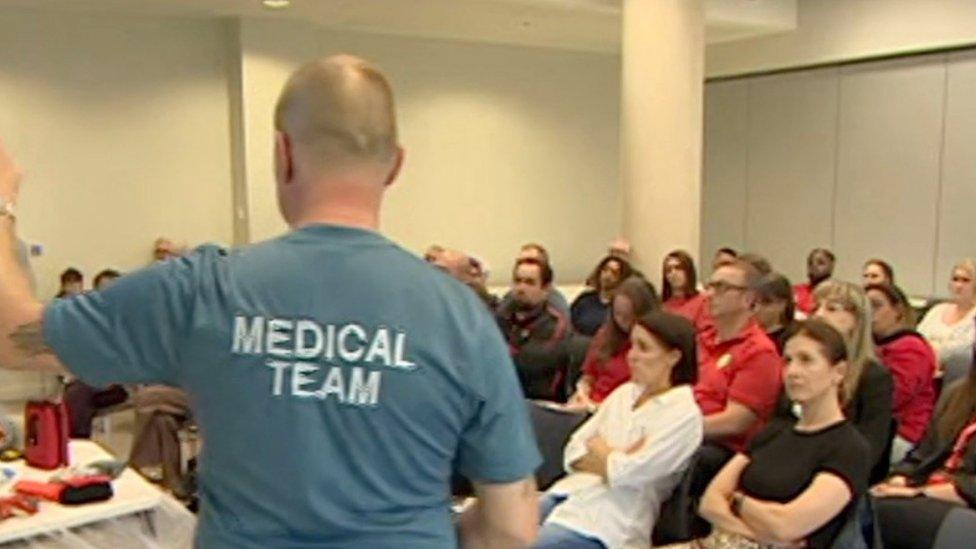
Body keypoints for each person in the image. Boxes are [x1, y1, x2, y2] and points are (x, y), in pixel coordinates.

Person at [0, 55, 541, 547]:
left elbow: (13, 334)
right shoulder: (463, 317)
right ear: (395, 166)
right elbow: (512, 529)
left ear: (283, 155)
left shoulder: (200, 290)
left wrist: (2, 203)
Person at [690, 321, 870, 549]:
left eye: (806, 360)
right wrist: (757, 533)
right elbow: (710, 502)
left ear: (838, 372)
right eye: (788, 361)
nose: (793, 372)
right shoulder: (774, 432)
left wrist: (737, 500)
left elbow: (786, 525)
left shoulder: (848, 448)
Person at [536, 311, 702, 549]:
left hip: (611, 522)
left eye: (643, 348)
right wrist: (616, 457)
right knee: (488, 528)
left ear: (673, 357)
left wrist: (602, 453)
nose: (632, 356)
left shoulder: (683, 414)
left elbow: (632, 474)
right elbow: (573, 450)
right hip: (571, 494)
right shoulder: (625, 394)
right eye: (632, 346)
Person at [775, 280, 894, 481]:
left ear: (857, 319)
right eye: (816, 307)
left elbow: (869, 448)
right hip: (791, 462)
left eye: (831, 308)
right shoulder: (797, 365)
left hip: (837, 475)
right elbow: (779, 424)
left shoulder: (874, 377)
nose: (819, 315)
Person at [694, 260, 782, 475]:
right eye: (710, 286)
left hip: (722, 450)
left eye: (721, 287)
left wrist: (681, 429)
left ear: (748, 299)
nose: (710, 294)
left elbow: (737, 421)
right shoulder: (702, 340)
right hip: (690, 431)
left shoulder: (760, 352)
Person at [872, 367, 976, 549]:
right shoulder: (955, 394)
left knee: (882, 513)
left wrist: (918, 493)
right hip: (925, 492)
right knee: (865, 504)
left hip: (961, 505)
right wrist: (900, 479)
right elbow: (920, 456)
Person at [867, 283, 937, 463]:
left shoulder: (911, 347)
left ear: (897, 309)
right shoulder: (874, 345)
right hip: (879, 427)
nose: (869, 313)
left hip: (903, 432)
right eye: (865, 307)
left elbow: (894, 397)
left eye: (876, 305)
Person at [566, 276, 660, 411]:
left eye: (628, 316)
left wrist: (600, 408)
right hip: (590, 406)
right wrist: (582, 393)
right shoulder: (605, 335)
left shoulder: (655, 345)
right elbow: (588, 377)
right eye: (618, 314)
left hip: (622, 412)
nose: (622, 321)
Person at [496, 257, 571, 401]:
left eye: (529, 282)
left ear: (546, 289)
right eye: (518, 281)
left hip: (538, 400)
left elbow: (532, 365)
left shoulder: (556, 323)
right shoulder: (502, 314)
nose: (521, 288)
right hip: (501, 395)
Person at [917, 259, 976, 386]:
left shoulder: (974, 317)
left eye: (965, 280)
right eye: (955, 279)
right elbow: (917, 341)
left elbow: (961, 355)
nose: (959, 285)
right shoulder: (937, 310)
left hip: (955, 383)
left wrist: (934, 350)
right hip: (922, 371)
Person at [498, 243, 569, 314]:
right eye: (521, 261)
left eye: (533, 260)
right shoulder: (511, 298)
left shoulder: (557, 308)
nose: (525, 263)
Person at [570, 256, 633, 337]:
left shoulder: (620, 307)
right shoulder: (585, 298)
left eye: (614, 273)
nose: (608, 275)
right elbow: (568, 324)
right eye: (605, 269)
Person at [753, 272, 795, 355]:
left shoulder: (792, 339)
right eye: (754, 303)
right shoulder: (750, 336)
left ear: (782, 304)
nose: (757, 309)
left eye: (766, 303)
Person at [662, 250, 707, 328]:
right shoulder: (663, 307)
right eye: (669, 270)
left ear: (688, 271)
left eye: (678, 268)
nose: (673, 273)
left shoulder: (703, 302)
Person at [793, 248, 835, 316]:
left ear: (831, 266)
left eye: (820, 263)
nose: (814, 266)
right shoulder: (796, 291)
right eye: (810, 263)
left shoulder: (838, 293)